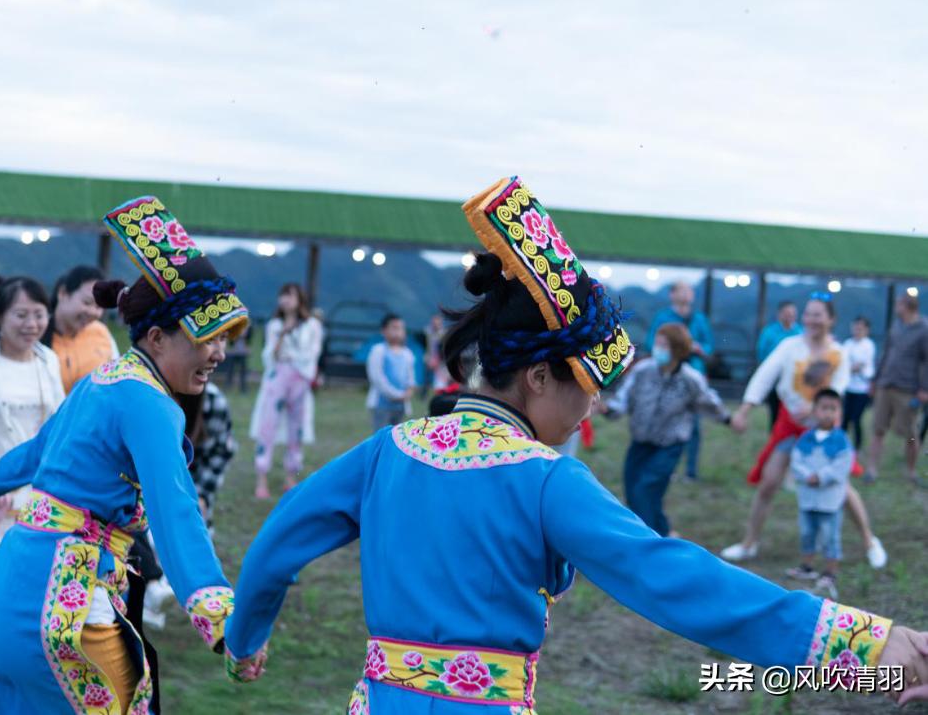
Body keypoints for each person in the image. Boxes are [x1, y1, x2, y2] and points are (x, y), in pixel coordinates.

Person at [222, 177, 928, 711]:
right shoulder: (543, 478)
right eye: (587, 383)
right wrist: (862, 643)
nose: (593, 403)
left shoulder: (387, 450)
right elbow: (672, 575)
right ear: (536, 376)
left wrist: (244, 640)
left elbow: (279, 536)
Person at [0, 196, 248, 715]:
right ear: (157, 338)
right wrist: (224, 621)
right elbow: (175, 513)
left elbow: (31, 455)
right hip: (66, 602)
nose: (219, 354)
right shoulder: (151, 403)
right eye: (207, 338)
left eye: (225, 339)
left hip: (10, 585)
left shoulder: (102, 381)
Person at [721, 294, 887, 570]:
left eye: (818, 314)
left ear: (831, 319)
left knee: (841, 488)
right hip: (789, 425)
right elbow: (766, 375)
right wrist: (745, 409)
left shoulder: (838, 353)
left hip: (821, 431)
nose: (811, 319)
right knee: (769, 483)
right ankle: (749, 543)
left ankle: (870, 542)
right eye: (808, 314)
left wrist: (813, 411)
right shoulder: (790, 346)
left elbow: (838, 389)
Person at [0, 277, 65, 583]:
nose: (31, 324)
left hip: (37, 493)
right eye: (21, 315)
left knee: (25, 583)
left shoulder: (48, 359)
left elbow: (58, 425)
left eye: (39, 314)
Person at [602, 322, 731, 537]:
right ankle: (663, 533)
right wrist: (607, 409)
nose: (658, 348)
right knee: (634, 494)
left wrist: (728, 419)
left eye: (664, 344)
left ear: (677, 349)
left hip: (669, 445)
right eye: (657, 342)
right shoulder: (643, 371)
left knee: (646, 490)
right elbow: (623, 398)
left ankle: (649, 543)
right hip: (640, 442)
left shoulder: (690, 379)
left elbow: (709, 402)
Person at [250, 283, 323, 499]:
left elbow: (312, 353)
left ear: (299, 299)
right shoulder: (274, 325)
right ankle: (261, 477)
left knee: (296, 427)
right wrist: (283, 334)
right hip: (277, 377)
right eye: (283, 295)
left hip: (300, 377)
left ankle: (291, 475)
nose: (285, 300)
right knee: (268, 425)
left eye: (290, 296)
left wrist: (299, 364)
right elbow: (270, 355)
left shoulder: (312, 325)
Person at [786, 389, 852, 601]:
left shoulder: (841, 440)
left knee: (830, 536)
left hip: (830, 501)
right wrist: (807, 476)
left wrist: (821, 476)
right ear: (814, 411)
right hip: (808, 498)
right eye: (824, 408)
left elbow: (843, 465)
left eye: (833, 409)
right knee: (807, 532)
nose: (828, 413)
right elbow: (796, 461)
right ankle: (807, 566)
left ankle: (830, 572)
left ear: (839, 412)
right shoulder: (806, 438)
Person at [644, 281, 714, 479]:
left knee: (694, 424)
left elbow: (709, 345)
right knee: (665, 420)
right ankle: (665, 466)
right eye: (682, 290)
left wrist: (700, 349)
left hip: (694, 374)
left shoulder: (699, 318)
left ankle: (691, 471)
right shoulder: (663, 318)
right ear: (672, 294)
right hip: (667, 374)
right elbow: (651, 342)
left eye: (689, 290)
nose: (687, 294)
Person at [865, 293, 928, 484]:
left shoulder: (924, 329)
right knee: (878, 429)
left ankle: (910, 471)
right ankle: (872, 469)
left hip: (908, 388)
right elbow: (886, 353)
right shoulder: (896, 326)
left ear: (908, 307)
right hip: (886, 384)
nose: (896, 308)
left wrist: (924, 388)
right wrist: (875, 379)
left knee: (910, 434)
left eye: (898, 305)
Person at [45, 265, 120, 393]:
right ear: (63, 293)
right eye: (87, 302)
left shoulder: (101, 331)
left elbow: (116, 377)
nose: (93, 312)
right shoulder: (36, 334)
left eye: (99, 306)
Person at [186, 382, 237, 536]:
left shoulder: (215, 402)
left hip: (196, 480)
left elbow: (220, 454)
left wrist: (201, 496)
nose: (220, 357)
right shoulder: (156, 397)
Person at [366, 313, 416, 431]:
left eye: (401, 328)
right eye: (394, 328)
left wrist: (409, 391)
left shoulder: (407, 354)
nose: (398, 332)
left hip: (401, 405)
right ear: (384, 331)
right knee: (381, 438)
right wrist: (396, 395)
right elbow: (377, 378)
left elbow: (411, 378)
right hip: (381, 404)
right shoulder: (378, 351)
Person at [757, 301, 802, 430]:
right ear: (780, 314)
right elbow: (762, 353)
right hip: (775, 378)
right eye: (787, 313)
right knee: (775, 411)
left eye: (792, 314)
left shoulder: (800, 332)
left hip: (794, 380)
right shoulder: (769, 332)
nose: (790, 317)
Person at [842, 316, 876, 454]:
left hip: (862, 389)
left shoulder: (869, 345)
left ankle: (857, 447)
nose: (857, 330)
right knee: (844, 419)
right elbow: (843, 364)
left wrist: (850, 367)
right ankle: (841, 444)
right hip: (848, 388)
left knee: (856, 419)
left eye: (860, 328)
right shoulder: (847, 344)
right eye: (855, 327)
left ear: (867, 330)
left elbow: (860, 365)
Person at [423, 313, 452, 393]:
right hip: (430, 358)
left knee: (441, 378)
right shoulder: (428, 332)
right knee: (427, 378)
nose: (435, 324)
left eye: (437, 322)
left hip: (440, 360)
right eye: (434, 322)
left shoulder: (444, 333)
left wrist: (440, 359)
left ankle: (442, 392)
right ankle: (424, 394)